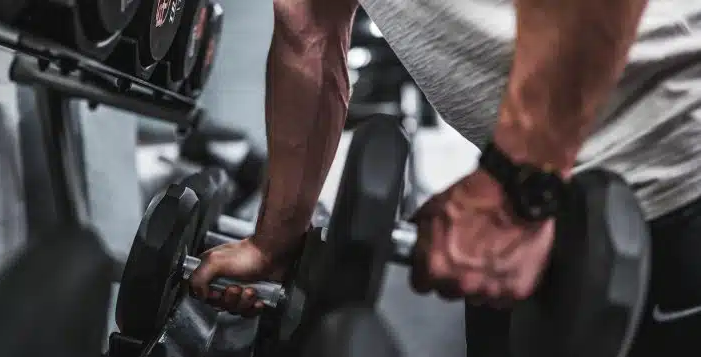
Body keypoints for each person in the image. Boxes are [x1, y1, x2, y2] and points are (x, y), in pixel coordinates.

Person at [189, 0, 701, 356]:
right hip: (547, 203)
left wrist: (515, 187)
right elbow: (308, 31)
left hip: (673, 173)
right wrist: (276, 239)